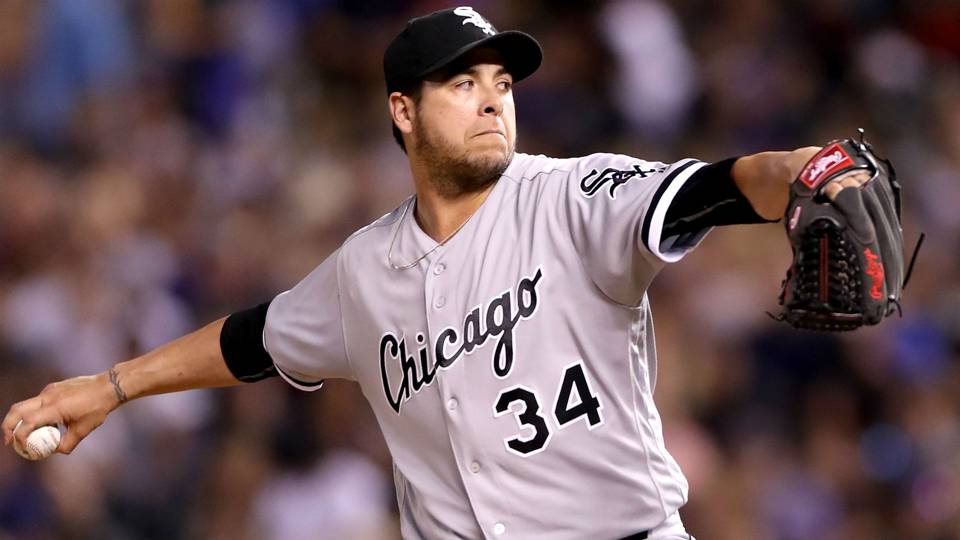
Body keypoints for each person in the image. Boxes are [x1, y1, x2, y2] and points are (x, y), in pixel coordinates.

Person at [3, 7, 871, 540]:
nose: (493, 97)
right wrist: (112, 387)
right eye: (462, 83)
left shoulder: (575, 196)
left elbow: (722, 187)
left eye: (502, 81)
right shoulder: (362, 271)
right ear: (403, 111)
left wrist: (807, 169)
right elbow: (251, 341)